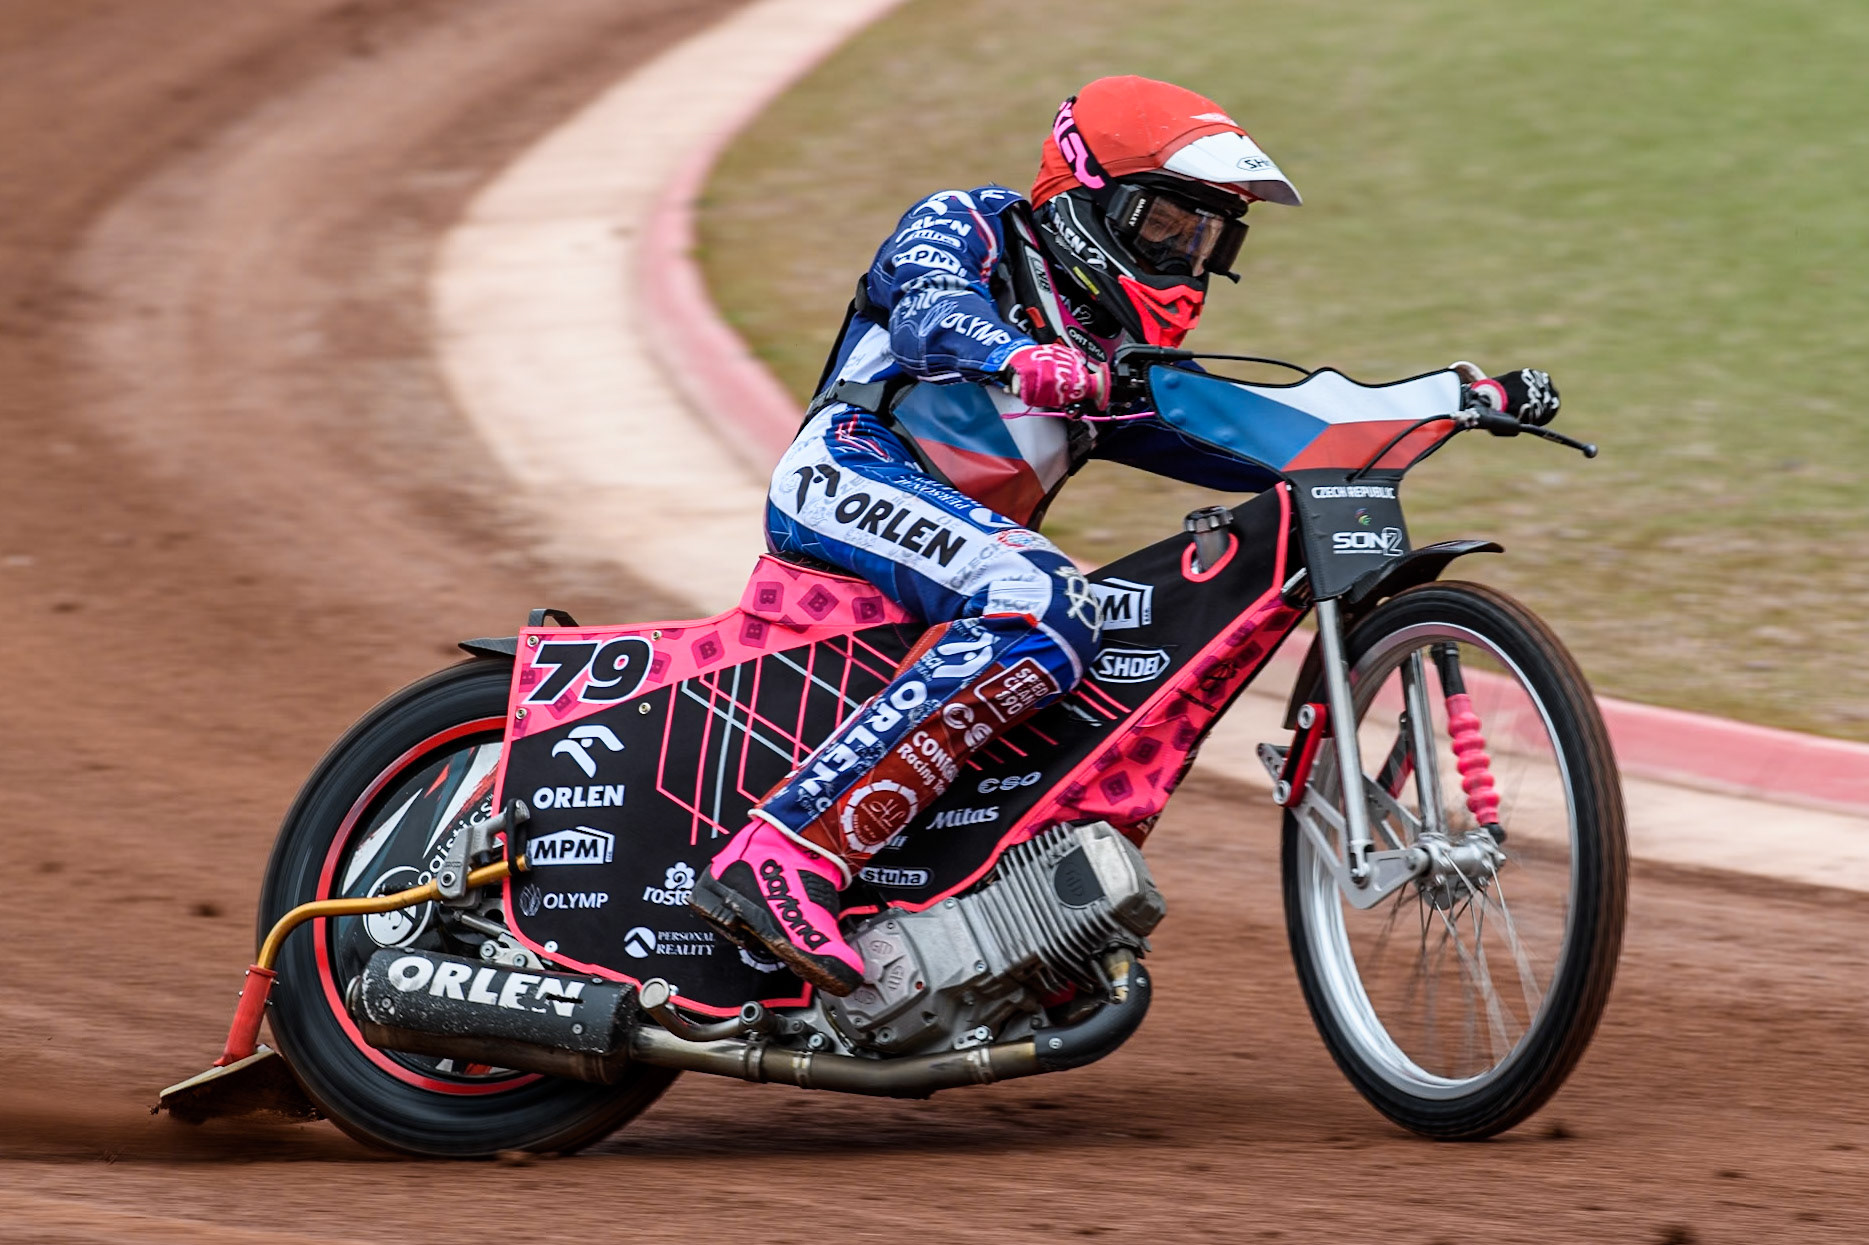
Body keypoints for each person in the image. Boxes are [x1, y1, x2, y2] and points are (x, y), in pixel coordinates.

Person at [689, 75, 1557, 995]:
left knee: (1093, 636)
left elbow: (1277, 430)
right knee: (1044, 600)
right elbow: (930, 309)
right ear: (1080, 196)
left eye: (1207, 240)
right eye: (1164, 227)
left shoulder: (1116, 365)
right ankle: (779, 854)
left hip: (948, 553)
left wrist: (1449, 401)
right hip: (847, 470)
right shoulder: (972, 223)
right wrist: (1021, 359)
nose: (1185, 262)